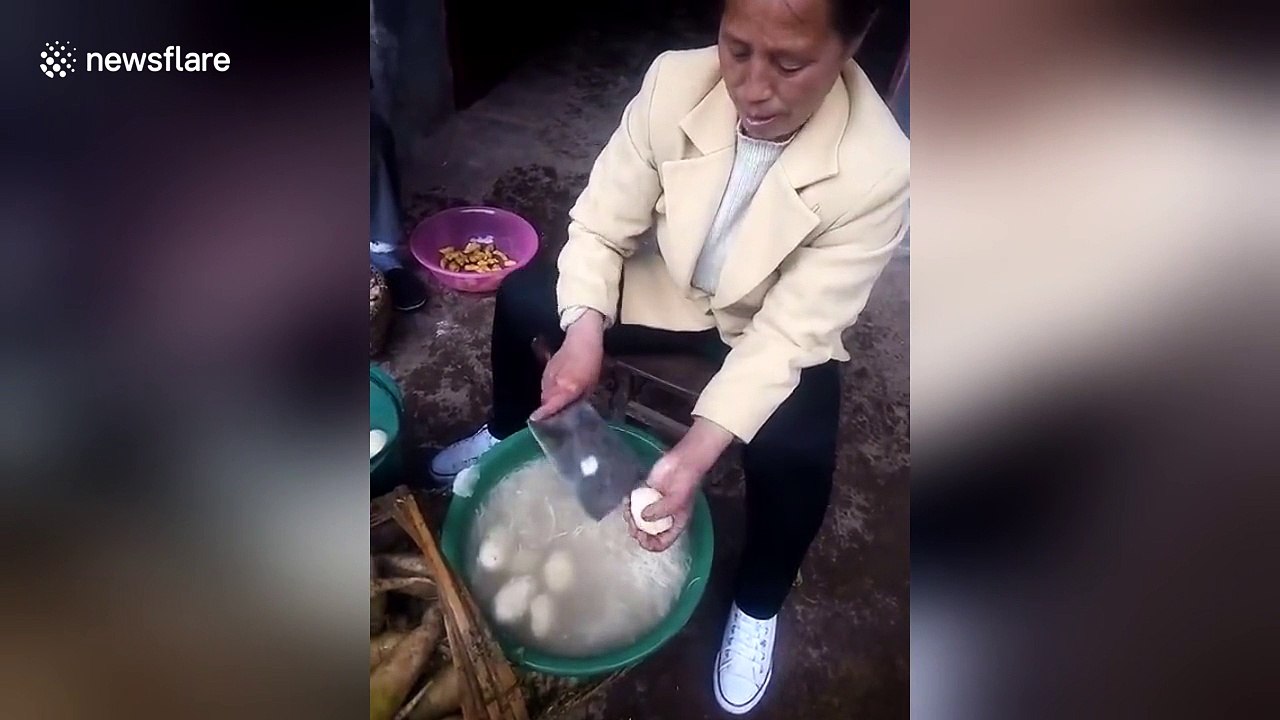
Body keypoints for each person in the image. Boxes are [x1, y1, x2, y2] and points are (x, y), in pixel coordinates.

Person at [432, 0, 908, 712]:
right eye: (737, 47)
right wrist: (584, 330)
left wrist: (694, 454)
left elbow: (790, 333)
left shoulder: (878, 168)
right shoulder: (674, 85)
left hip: (767, 325)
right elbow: (599, 223)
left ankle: (758, 601)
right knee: (530, 295)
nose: (752, 86)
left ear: (851, 44)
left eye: (789, 63)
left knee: (800, 447)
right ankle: (503, 431)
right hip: (672, 290)